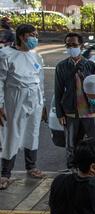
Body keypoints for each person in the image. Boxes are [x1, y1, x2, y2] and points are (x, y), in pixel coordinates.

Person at [0, 24, 45, 190]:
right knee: (12, 133)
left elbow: (39, 79)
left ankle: (31, 166)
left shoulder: (36, 56)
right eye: (32, 34)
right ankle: (5, 173)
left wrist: (43, 103)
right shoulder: (5, 54)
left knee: (32, 132)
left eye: (36, 34)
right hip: (15, 98)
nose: (35, 38)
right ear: (21, 36)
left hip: (35, 98)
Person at [54, 32, 95, 171]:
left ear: (81, 46)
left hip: (90, 111)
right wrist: (59, 113)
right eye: (68, 45)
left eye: (74, 45)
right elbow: (58, 91)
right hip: (70, 112)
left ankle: (94, 168)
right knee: (71, 145)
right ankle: (72, 169)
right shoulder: (61, 66)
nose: (71, 48)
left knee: (94, 143)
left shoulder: (91, 66)